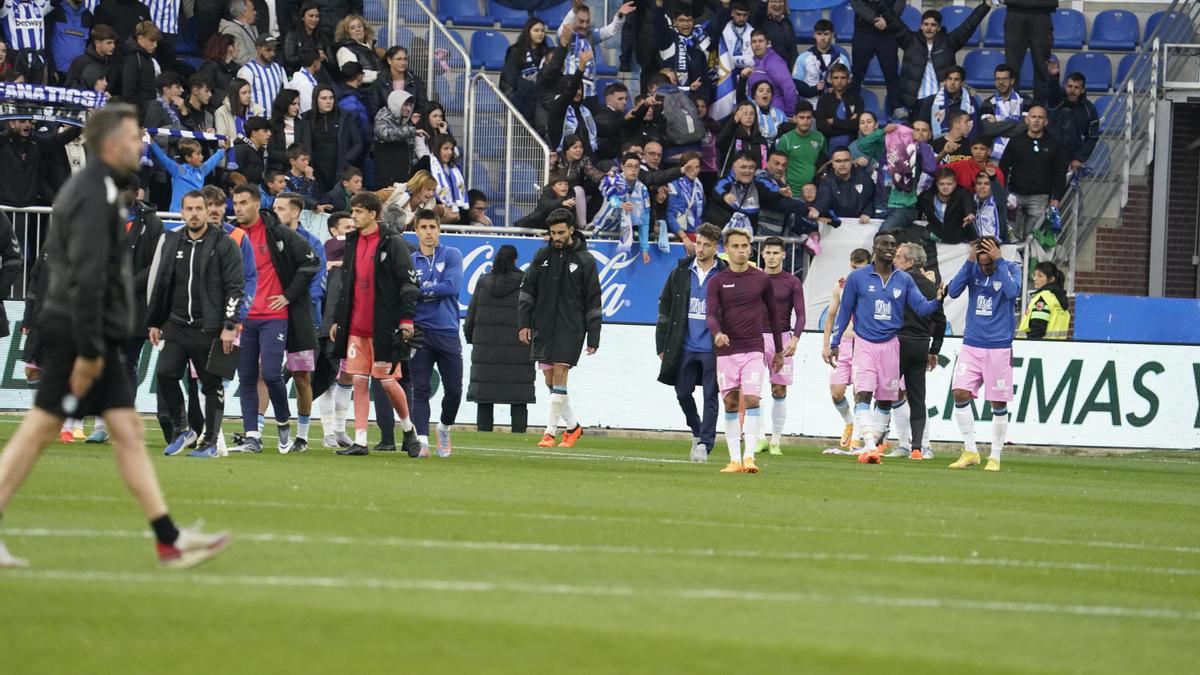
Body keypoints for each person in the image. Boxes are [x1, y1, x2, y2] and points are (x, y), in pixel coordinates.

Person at [0, 105, 230, 570]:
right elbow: (84, 279)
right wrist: (88, 351)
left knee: (123, 431)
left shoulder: (100, 190)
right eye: (134, 136)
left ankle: (168, 539)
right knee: (39, 431)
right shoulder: (92, 194)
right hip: (80, 335)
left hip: (90, 333)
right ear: (109, 144)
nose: (142, 143)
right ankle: (169, 539)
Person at [827, 232, 946, 463]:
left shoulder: (904, 279)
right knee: (863, 393)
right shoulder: (858, 278)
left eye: (893, 245)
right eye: (885, 244)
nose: (890, 248)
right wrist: (835, 342)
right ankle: (870, 445)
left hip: (892, 345)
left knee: (885, 399)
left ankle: (872, 446)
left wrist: (938, 301)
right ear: (875, 247)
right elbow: (845, 311)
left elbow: (921, 308)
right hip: (865, 344)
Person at [145, 190, 245, 458]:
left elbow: (235, 288)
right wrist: (155, 321)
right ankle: (182, 429)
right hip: (176, 325)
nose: (194, 214)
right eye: (189, 209)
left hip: (209, 327)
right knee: (165, 375)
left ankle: (210, 441)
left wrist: (230, 325)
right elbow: (162, 283)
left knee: (211, 386)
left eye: (199, 208)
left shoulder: (224, 244)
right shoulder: (172, 241)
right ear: (182, 211)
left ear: (206, 210)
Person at [328, 192, 422, 457]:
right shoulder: (353, 241)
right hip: (356, 327)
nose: (353, 216)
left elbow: (408, 283)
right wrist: (338, 318)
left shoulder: (392, 243)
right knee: (358, 381)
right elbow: (346, 285)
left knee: (388, 382)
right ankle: (360, 441)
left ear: (373, 214)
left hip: (384, 326)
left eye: (358, 211)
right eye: (352, 211)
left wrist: (406, 319)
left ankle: (408, 429)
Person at [229, 183, 319, 454]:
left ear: (257, 204)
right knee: (247, 377)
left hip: (286, 318)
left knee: (285, 375)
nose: (238, 208)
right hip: (245, 319)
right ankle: (253, 436)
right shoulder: (232, 234)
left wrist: (289, 296)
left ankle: (290, 429)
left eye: (243, 203)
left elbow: (313, 266)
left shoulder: (283, 235)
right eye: (235, 203)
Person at [518, 208, 602, 449]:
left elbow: (593, 299)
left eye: (560, 232)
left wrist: (593, 334)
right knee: (549, 379)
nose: (556, 237)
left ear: (571, 231)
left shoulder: (585, 261)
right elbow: (527, 291)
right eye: (553, 232)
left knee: (560, 372)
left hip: (571, 326)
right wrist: (524, 322)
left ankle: (550, 433)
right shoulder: (542, 256)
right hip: (543, 325)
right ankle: (574, 427)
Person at [705, 228, 783, 474]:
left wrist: (779, 350)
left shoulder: (761, 279)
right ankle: (734, 460)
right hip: (727, 350)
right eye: (735, 246)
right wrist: (717, 333)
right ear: (726, 250)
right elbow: (710, 313)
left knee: (751, 398)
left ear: (751, 248)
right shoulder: (717, 281)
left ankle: (749, 457)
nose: (741, 251)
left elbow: (773, 314)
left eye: (745, 246)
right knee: (730, 402)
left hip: (753, 348)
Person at [947, 236, 1021, 472]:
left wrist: (999, 263)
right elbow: (954, 291)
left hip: (999, 346)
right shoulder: (973, 268)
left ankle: (995, 456)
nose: (985, 267)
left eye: (988, 263)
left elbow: (1012, 293)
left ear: (997, 254)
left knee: (997, 401)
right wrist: (969, 263)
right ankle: (970, 450)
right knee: (959, 392)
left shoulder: (1010, 268)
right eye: (982, 263)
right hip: (972, 343)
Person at [656, 222, 725, 463]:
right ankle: (697, 431)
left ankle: (705, 444)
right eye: (698, 243)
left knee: (710, 396)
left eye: (707, 245)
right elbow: (664, 306)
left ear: (716, 247)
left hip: (712, 349)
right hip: (684, 345)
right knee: (682, 393)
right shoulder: (681, 271)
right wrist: (661, 344)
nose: (701, 249)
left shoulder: (724, 274)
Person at [271, 192, 327, 453]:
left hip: (301, 319)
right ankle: (255, 433)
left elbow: (316, 286)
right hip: (270, 317)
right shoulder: (266, 238)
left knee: (301, 376)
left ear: (295, 213)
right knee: (264, 375)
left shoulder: (313, 243)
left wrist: (291, 299)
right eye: (274, 207)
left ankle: (302, 436)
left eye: (280, 208)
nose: (275, 212)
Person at [409, 212, 464, 457]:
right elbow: (405, 292)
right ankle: (422, 440)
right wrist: (431, 290)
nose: (428, 231)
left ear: (439, 229)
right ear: (416, 230)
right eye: (423, 227)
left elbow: (451, 287)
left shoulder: (452, 254)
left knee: (454, 390)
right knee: (419, 389)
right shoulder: (410, 260)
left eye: (432, 226)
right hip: (420, 331)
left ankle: (444, 427)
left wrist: (421, 291)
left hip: (447, 331)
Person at [464, 244, 535, 434]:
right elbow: (532, 315)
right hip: (519, 351)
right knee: (518, 398)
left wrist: (474, 341)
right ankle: (520, 437)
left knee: (484, 398)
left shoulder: (482, 281)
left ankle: (484, 435)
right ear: (515, 260)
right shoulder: (525, 282)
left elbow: (470, 317)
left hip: (485, 352)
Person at [887, 242, 945, 460]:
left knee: (886, 393)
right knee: (917, 397)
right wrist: (934, 349)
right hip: (920, 345)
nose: (894, 260)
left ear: (910, 262)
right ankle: (919, 448)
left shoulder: (895, 282)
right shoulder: (931, 287)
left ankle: (882, 442)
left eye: (899, 257)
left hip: (896, 343)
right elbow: (940, 321)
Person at [882, 0, 990, 115]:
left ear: (939, 28)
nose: (929, 28)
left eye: (933, 25)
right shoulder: (909, 40)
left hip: (942, 103)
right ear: (921, 26)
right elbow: (893, 21)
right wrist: (880, 3)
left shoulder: (949, 43)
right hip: (915, 103)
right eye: (926, 24)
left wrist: (985, 6)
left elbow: (969, 25)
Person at [757, 237, 804, 457]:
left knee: (779, 389)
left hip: (782, 340)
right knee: (752, 391)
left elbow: (801, 314)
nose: (772, 256)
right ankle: (759, 438)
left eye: (776, 253)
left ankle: (775, 440)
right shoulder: (754, 278)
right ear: (763, 254)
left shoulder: (792, 282)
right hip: (755, 339)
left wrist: (795, 339)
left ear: (784, 254)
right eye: (768, 252)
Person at [822, 248, 872, 454]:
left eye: (860, 267)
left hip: (863, 344)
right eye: (853, 267)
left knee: (860, 393)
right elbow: (831, 315)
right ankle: (850, 423)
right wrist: (826, 344)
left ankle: (858, 441)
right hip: (842, 344)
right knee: (836, 392)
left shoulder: (873, 286)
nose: (855, 271)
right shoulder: (841, 286)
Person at [998, 104, 1067, 241]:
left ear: (1046, 122)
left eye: (1040, 117)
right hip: (1014, 196)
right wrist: (1002, 193)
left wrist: (1057, 198)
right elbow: (1003, 168)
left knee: (1033, 239)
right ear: (1027, 119)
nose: (1036, 120)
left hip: (1040, 197)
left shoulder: (1054, 144)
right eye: (1033, 116)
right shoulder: (1015, 141)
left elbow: (1060, 174)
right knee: (1010, 238)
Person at [1043, 63, 1100, 175]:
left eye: (1076, 87)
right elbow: (1052, 92)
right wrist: (1053, 77)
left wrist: (1079, 158)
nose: (1072, 90)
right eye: (1069, 86)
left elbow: (1092, 137)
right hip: (1047, 157)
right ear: (1065, 86)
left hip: (1070, 162)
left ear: (1082, 90)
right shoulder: (1057, 101)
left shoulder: (1089, 109)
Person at [592, 153, 651, 260]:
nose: (633, 170)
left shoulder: (643, 189)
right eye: (629, 166)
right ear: (622, 167)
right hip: (600, 233)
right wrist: (620, 205)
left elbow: (645, 219)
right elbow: (611, 199)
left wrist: (644, 248)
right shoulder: (613, 181)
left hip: (622, 237)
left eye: (636, 167)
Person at [306, 84, 363, 194]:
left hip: (339, 167)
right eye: (324, 98)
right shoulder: (306, 118)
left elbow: (358, 143)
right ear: (316, 100)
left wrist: (347, 158)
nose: (328, 101)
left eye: (331, 98)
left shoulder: (344, 116)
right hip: (316, 169)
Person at [148, 137, 228, 213]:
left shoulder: (202, 170)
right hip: (177, 215)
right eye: (198, 154)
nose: (202, 157)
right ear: (188, 158)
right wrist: (152, 143)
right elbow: (163, 158)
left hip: (195, 214)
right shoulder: (178, 170)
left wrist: (224, 149)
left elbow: (213, 160)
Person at [849, 0, 903, 112]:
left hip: (888, 31)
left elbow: (900, 3)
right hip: (864, 30)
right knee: (857, 72)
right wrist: (874, 19)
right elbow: (856, 2)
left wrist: (887, 18)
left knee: (891, 71)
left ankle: (896, 107)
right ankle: (850, 106)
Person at [651, 7, 709, 102]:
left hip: (695, 98)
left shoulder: (700, 39)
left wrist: (704, 99)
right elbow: (658, 24)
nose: (686, 24)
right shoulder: (668, 39)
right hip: (670, 98)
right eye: (682, 20)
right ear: (675, 22)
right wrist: (659, 5)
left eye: (689, 20)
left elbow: (704, 75)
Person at [501, 18, 549, 123]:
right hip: (521, 102)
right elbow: (510, 78)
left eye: (542, 31)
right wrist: (529, 87)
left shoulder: (546, 52)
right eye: (536, 30)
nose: (540, 33)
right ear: (528, 32)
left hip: (539, 103)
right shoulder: (515, 51)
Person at [1004, 0, 1055, 96]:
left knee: (1042, 67)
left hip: (1042, 10)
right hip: (1015, 9)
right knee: (1011, 67)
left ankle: (1040, 108)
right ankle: (1010, 106)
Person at [794, 19, 850, 106]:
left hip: (836, 106)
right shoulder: (803, 58)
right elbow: (797, 84)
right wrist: (814, 89)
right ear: (814, 35)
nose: (823, 38)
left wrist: (837, 89)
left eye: (826, 34)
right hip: (811, 107)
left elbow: (849, 83)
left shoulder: (842, 59)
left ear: (832, 35)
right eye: (819, 34)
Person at [978, 64, 1028, 161]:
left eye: (1004, 79)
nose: (1001, 82)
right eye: (997, 79)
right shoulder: (987, 104)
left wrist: (998, 125)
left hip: (1022, 153)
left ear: (1012, 81)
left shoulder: (1026, 101)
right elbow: (989, 130)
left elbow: (1026, 129)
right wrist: (1015, 121)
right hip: (995, 157)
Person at [775, 102, 826, 195]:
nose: (805, 121)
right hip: (792, 193)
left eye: (808, 118)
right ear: (795, 119)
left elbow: (823, 162)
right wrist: (784, 186)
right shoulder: (786, 139)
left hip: (813, 193)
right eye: (802, 117)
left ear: (813, 119)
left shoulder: (820, 138)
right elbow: (779, 167)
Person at [918, 166, 978, 245]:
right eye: (941, 184)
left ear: (955, 184)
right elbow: (916, 211)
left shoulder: (963, 194)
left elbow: (968, 203)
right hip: (934, 234)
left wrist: (970, 213)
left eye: (949, 184)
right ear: (936, 184)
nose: (945, 187)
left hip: (956, 237)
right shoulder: (926, 196)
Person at [743, 30, 796, 116]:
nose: (757, 45)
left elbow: (789, 88)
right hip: (757, 114)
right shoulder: (753, 61)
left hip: (775, 115)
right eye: (754, 41)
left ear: (768, 43)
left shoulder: (773, 61)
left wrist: (789, 114)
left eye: (761, 41)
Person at [815, 147, 874, 223]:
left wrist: (867, 212)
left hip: (861, 225)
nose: (842, 164)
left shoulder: (864, 177)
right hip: (836, 226)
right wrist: (818, 209)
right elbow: (824, 201)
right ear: (832, 164)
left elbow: (872, 199)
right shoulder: (826, 181)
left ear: (852, 161)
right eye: (838, 161)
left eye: (846, 160)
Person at [917, 66, 978, 139]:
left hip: (964, 144)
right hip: (936, 143)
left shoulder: (971, 102)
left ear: (962, 82)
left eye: (956, 79)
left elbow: (977, 126)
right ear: (945, 81)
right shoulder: (931, 101)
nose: (952, 83)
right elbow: (922, 124)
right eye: (949, 79)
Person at [372, 89, 417, 187]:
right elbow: (385, 133)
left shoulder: (404, 121)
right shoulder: (383, 116)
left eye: (410, 105)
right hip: (386, 175)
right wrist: (411, 131)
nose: (409, 109)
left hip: (402, 172)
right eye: (405, 105)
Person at [367, 44, 425, 120]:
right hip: (386, 126)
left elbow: (422, 105)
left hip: (411, 124)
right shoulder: (379, 83)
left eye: (405, 59)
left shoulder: (416, 82)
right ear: (389, 60)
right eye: (399, 59)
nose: (403, 62)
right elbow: (374, 109)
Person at [814, 63, 862, 149]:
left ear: (848, 80)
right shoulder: (823, 99)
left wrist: (834, 122)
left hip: (852, 145)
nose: (839, 81)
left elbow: (857, 125)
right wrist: (848, 124)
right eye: (836, 78)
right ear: (830, 80)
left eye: (843, 78)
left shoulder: (856, 99)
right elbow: (821, 127)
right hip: (828, 145)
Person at [1019, 261, 1070, 339]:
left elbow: (1037, 329)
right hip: (1057, 348)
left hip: (1038, 348)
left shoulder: (1043, 299)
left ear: (1051, 279)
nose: (1035, 278)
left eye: (1040, 276)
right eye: (1034, 275)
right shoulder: (1059, 298)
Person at [666, 152, 705, 253]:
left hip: (697, 234)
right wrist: (684, 237)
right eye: (690, 167)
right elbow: (670, 215)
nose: (694, 171)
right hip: (681, 238)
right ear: (683, 167)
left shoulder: (699, 183)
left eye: (697, 167)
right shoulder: (674, 185)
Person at [237, 34, 285, 115]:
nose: (273, 54)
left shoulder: (279, 69)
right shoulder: (247, 70)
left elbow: (286, 95)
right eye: (268, 50)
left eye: (274, 50)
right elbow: (240, 97)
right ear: (258, 48)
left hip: (276, 121)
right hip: (256, 121)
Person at [120, 20, 160, 115]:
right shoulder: (132, 58)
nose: (155, 45)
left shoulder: (146, 56)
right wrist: (139, 113)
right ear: (140, 38)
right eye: (152, 41)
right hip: (139, 112)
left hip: (148, 108)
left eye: (156, 41)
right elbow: (128, 91)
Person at [283, 1, 335, 76]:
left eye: (317, 16)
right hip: (298, 74)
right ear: (303, 17)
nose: (314, 20)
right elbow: (289, 59)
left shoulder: (322, 37)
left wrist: (324, 58)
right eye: (311, 16)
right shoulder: (293, 35)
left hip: (320, 75)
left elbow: (332, 62)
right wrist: (312, 56)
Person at [64, 22, 116, 88]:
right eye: (109, 43)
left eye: (114, 42)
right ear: (97, 43)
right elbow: (69, 86)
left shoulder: (113, 62)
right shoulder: (80, 62)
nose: (113, 46)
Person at [196, 33, 240, 109]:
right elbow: (205, 89)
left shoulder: (237, 68)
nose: (239, 49)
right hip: (213, 110)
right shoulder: (210, 67)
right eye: (237, 46)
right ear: (230, 48)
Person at [333, 14, 379, 85]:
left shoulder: (370, 47)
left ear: (364, 28)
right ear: (347, 33)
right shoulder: (345, 50)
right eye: (352, 28)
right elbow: (353, 75)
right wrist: (379, 75)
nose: (357, 30)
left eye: (359, 26)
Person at [229, 115, 271, 185]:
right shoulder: (241, 149)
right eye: (265, 131)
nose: (270, 134)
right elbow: (233, 176)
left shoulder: (261, 150)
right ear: (254, 133)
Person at [971, 169, 1008, 241]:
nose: (982, 187)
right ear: (975, 186)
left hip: (1000, 247)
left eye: (986, 184)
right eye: (979, 183)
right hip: (975, 247)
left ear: (992, 187)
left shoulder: (998, 202)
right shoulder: (969, 203)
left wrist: (993, 178)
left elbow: (1000, 195)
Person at [219, 0, 258, 66]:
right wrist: (263, 58)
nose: (255, 12)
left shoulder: (251, 28)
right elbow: (241, 59)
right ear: (244, 13)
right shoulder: (231, 31)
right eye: (252, 9)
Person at [287, 46, 322, 115]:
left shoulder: (303, 78)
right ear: (315, 62)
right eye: (320, 60)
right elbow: (308, 110)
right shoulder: (304, 83)